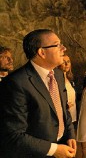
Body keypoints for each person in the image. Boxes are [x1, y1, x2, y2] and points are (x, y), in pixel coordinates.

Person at [0, 29, 76, 158]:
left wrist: (70, 134)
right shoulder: (15, 83)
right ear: (42, 52)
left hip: (63, 145)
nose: (64, 48)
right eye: (57, 44)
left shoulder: (58, 74)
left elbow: (63, 109)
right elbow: (14, 135)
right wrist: (54, 149)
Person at [58, 55, 77, 125]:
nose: (66, 64)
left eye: (68, 61)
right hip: (63, 117)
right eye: (63, 62)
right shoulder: (56, 80)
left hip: (72, 116)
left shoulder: (70, 79)